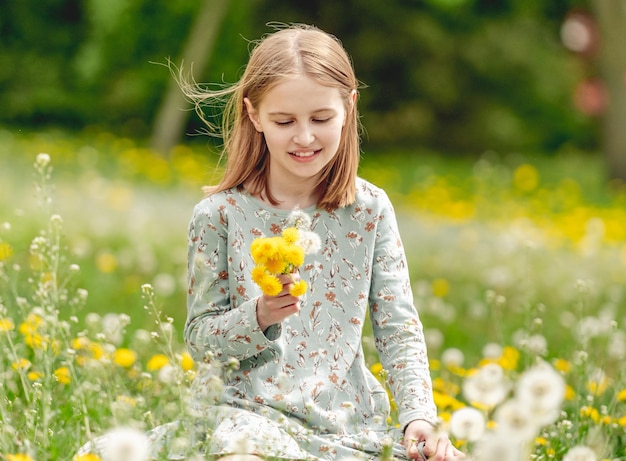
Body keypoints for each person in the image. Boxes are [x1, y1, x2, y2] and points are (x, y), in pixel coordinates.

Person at [75, 23, 464, 461]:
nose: (304, 137)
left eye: (321, 118)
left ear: (349, 108)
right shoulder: (219, 216)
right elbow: (201, 339)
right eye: (284, 121)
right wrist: (258, 316)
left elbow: (399, 327)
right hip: (240, 414)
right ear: (255, 115)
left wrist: (418, 418)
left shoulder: (369, 210)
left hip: (343, 421)